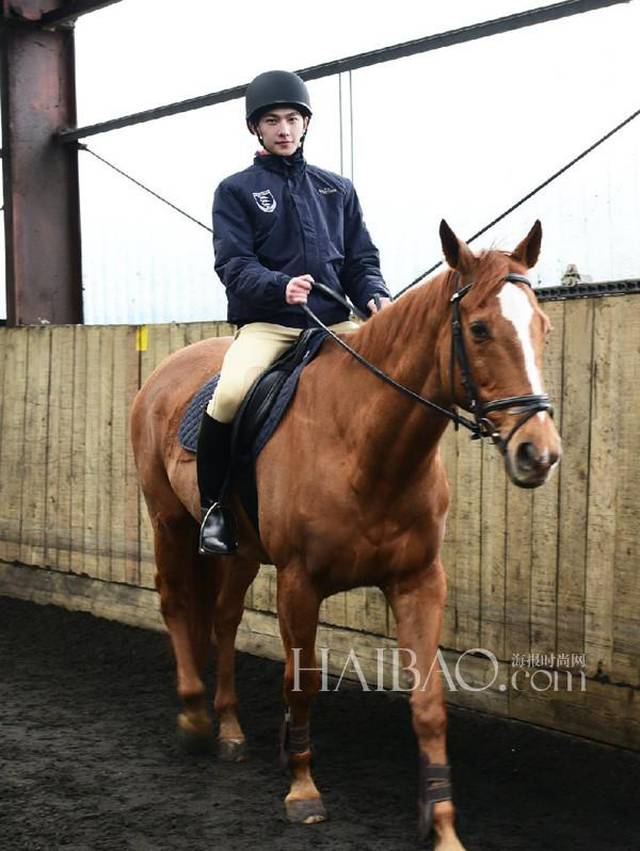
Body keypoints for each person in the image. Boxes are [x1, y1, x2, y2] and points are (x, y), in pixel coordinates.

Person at [197, 69, 391, 556]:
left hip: (335, 322)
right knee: (229, 394)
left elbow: (361, 261)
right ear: (256, 129)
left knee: (391, 379)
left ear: (305, 124)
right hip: (270, 324)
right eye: (271, 121)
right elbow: (234, 265)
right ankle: (215, 508)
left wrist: (374, 295)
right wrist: (279, 286)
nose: (283, 129)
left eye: (291, 119)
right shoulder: (235, 191)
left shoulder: (337, 189)